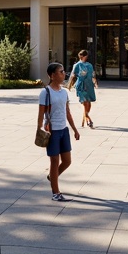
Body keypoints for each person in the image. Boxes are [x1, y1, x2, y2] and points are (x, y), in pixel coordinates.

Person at [37, 61, 80, 202]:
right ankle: (56, 192)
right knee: (55, 162)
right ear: (52, 75)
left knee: (67, 161)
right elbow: (41, 112)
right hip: (52, 131)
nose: (64, 74)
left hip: (63, 130)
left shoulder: (64, 92)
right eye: (61, 72)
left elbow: (67, 111)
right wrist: (39, 129)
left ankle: (52, 176)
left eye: (63, 71)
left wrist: (74, 129)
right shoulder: (46, 92)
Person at [69, 49, 98, 128]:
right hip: (81, 85)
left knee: (88, 102)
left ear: (86, 56)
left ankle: (86, 116)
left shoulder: (89, 65)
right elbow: (72, 75)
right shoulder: (77, 65)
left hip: (89, 85)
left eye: (84, 56)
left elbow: (93, 74)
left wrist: (95, 82)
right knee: (85, 102)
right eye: (81, 55)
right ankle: (88, 119)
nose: (82, 57)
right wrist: (69, 85)